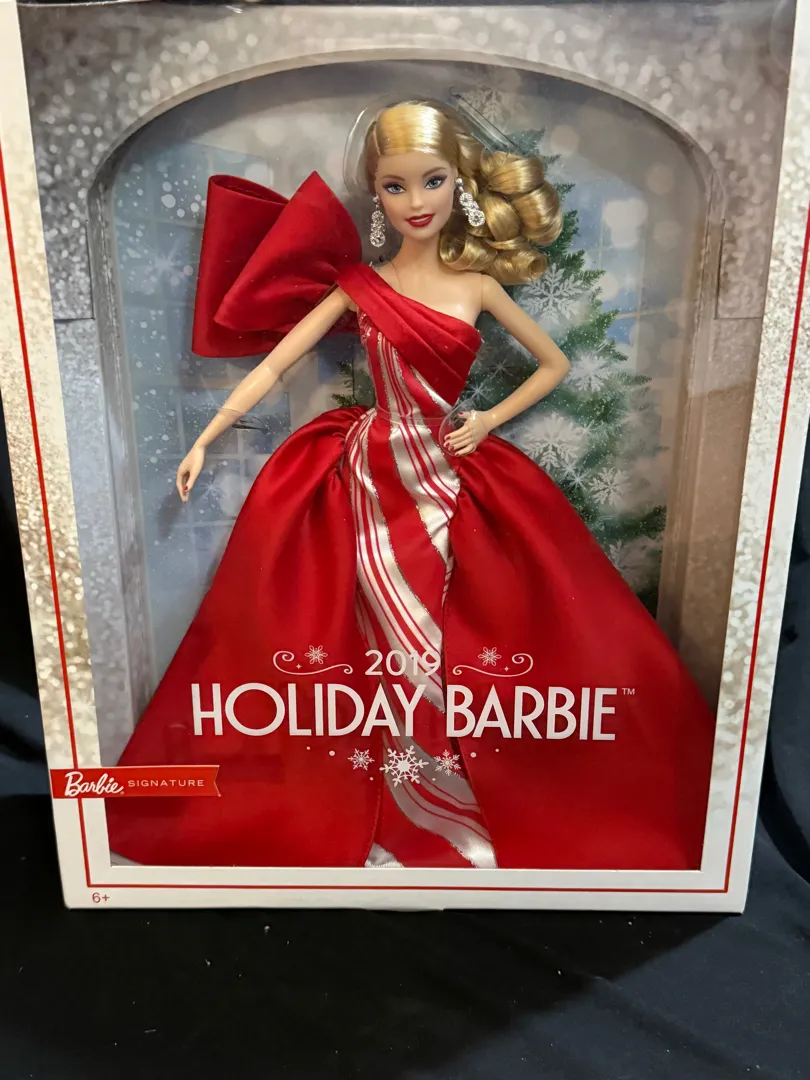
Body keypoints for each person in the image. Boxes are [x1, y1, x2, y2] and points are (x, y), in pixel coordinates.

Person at [106, 100, 714, 871]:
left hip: (448, 465)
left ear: (459, 184)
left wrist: (488, 418)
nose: (416, 201)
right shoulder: (360, 286)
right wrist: (207, 435)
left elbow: (553, 364)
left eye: (432, 181)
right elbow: (275, 364)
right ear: (377, 195)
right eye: (395, 187)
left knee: (452, 621)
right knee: (380, 627)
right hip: (370, 475)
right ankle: (396, 790)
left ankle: (449, 789)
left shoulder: (477, 285)